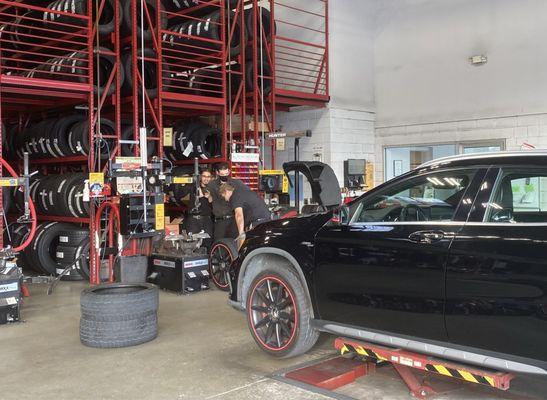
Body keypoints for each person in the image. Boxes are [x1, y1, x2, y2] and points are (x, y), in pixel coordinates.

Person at [219, 183, 271, 249]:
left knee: (249, 246)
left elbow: (239, 215)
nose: (226, 200)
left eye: (224, 197)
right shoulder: (245, 192)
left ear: (226, 191)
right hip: (267, 221)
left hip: (257, 222)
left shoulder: (235, 195)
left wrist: (241, 234)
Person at [207, 162, 245, 241]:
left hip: (233, 220)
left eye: (226, 173)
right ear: (217, 173)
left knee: (234, 245)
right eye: (222, 174)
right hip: (219, 221)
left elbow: (246, 194)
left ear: (229, 172)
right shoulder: (212, 185)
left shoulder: (236, 183)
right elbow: (207, 196)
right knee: (218, 245)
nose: (224, 176)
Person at [178, 168, 213, 238]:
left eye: (208, 177)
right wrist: (183, 182)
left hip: (207, 220)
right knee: (193, 244)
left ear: (211, 178)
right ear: (200, 177)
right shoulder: (193, 186)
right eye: (204, 176)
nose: (206, 179)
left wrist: (209, 197)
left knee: (207, 243)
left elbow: (215, 203)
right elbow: (181, 194)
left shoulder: (213, 189)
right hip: (193, 220)